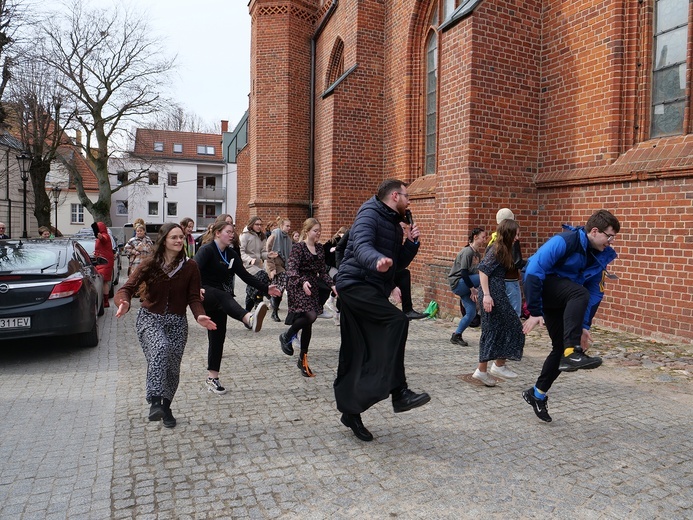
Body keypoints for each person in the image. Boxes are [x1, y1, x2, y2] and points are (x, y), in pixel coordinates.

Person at [333, 179, 430, 442]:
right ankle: (399, 392)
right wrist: (377, 260)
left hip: (371, 288)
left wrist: (410, 245)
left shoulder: (392, 222)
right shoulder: (369, 213)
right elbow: (362, 247)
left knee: (357, 351)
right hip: (355, 285)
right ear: (395, 196)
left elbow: (396, 265)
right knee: (398, 321)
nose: (410, 202)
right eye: (407, 197)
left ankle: (351, 412)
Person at [114, 223, 217, 428]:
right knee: (161, 348)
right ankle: (154, 401)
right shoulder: (149, 263)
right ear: (164, 240)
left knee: (172, 368)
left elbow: (194, 298)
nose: (179, 241)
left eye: (181, 237)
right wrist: (123, 303)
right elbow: (126, 288)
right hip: (150, 318)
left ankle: (166, 406)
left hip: (177, 322)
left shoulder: (190, 267)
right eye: (174, 237)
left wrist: (200, 316)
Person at [522, 209, 620, 422]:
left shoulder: (598, 257)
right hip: (542, 287)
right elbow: (532, 271)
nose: (610, 242)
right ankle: (571, 351)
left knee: (559, 349)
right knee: (578, 292)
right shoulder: (565, 241)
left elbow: (594, 294)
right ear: (595, 231)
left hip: (565, 297)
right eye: (609, 236)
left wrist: (583, 326)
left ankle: (537, 394)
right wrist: (534, 311)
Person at [194, 220, 281, 395]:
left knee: (218, 336)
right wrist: (196, 289)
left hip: (221, 298)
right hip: (204, 293)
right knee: (223, 295)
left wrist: (266, 288)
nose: (231, 234)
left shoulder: (232, 254)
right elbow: (193, 270)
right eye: (228, 231)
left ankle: (212, 378)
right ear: (218, 233)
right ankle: (249, 319)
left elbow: (245, 275)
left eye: (232, 231)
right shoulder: (207, 250)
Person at [279, 218, 336, 377]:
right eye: (315, 230)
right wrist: (302, 282)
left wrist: (332, 285)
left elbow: (322, 271)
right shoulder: (298, 247)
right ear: (307, 231)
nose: (318, 233)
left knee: (309, 323)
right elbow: (291, 270)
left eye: (319, 230)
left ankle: (303, 360)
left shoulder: (319, 248)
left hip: (312, 286)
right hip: (298, 285)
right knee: (311, 315)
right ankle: (287, 335)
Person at [474, 219, 525, 386]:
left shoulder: (503, 248)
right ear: (509, 233)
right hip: (492, 294)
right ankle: (495, 366)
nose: (518, 237)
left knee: (497, 329)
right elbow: (483, 271)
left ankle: (486, 369)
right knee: (508, 326)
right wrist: (487, 295)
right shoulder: (496, 249)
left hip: (498, 293)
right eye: (516, 234)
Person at [448, 227, 487, 346]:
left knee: (471, 313)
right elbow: (464, 272)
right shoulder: (467, 252)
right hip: (458, 283)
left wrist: (472, 288)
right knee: (484, 276)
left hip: (467, 284)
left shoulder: (477, 254)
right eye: (483, 237)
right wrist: (472, 289)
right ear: (475, 237)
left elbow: (472, 273)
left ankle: (456, 335)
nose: (485, 240)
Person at [488, 208, 526, 317]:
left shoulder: (494, 238)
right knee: (514, 314)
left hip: (497, 282)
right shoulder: (511, 238)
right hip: (510, 279)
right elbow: (517, 262)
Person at [240, 216, 276, 311]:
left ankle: (248, 309)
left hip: (257, 265)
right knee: (263, 276)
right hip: (247, 265)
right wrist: (249, 259)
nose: (259, 226)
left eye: (260, 224)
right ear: (251, 224)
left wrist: (268, 255)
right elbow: (241, 252)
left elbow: (262, 253)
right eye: (257, 224)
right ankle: (259, 299)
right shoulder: (245, 236)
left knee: (253, 285)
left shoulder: (262, 236)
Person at [265, 218, 291, 322]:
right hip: (275, 265)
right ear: (281, 226)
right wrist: (271, 269)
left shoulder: (288, 239)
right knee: (283, 281)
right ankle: (273, 307)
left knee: (279, 288)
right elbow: (268, 252)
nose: (289, 228)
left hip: (284, 265)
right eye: (287, 226)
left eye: (289, 226)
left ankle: (274, 310)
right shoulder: (274, 236)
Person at [91, 222, 115, 307]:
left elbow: (103, 239)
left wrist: (100, 237)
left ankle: (105, 301)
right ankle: (104, 300)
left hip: (105, 261)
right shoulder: (102, 237)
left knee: (103, 281)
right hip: (101, 260)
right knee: (103, 281)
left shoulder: (105, 236)